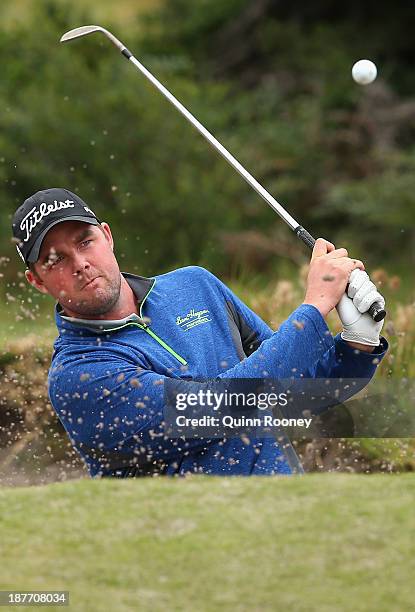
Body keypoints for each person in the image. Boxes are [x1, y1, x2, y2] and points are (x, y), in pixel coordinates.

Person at [12, 188, 388, 477]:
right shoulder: (78, 376)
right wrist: (314, 308)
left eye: (84, 241)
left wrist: (358, 343)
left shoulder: (195, 286)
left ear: (107, 236)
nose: (79, 263)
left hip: (288, 521)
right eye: (55, 259)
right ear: (37, 281)